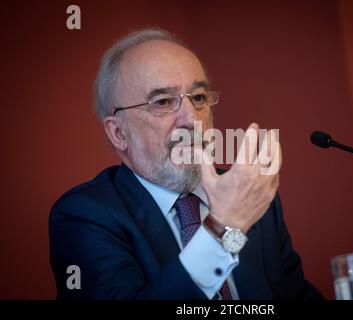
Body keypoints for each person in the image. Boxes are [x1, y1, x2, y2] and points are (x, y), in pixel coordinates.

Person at [49, 28, 323, 300]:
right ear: (119, 133)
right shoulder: (83, 216)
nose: (192, 119)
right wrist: (223, 226)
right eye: (163, 102)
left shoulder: (250, 200)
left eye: (199, 98)